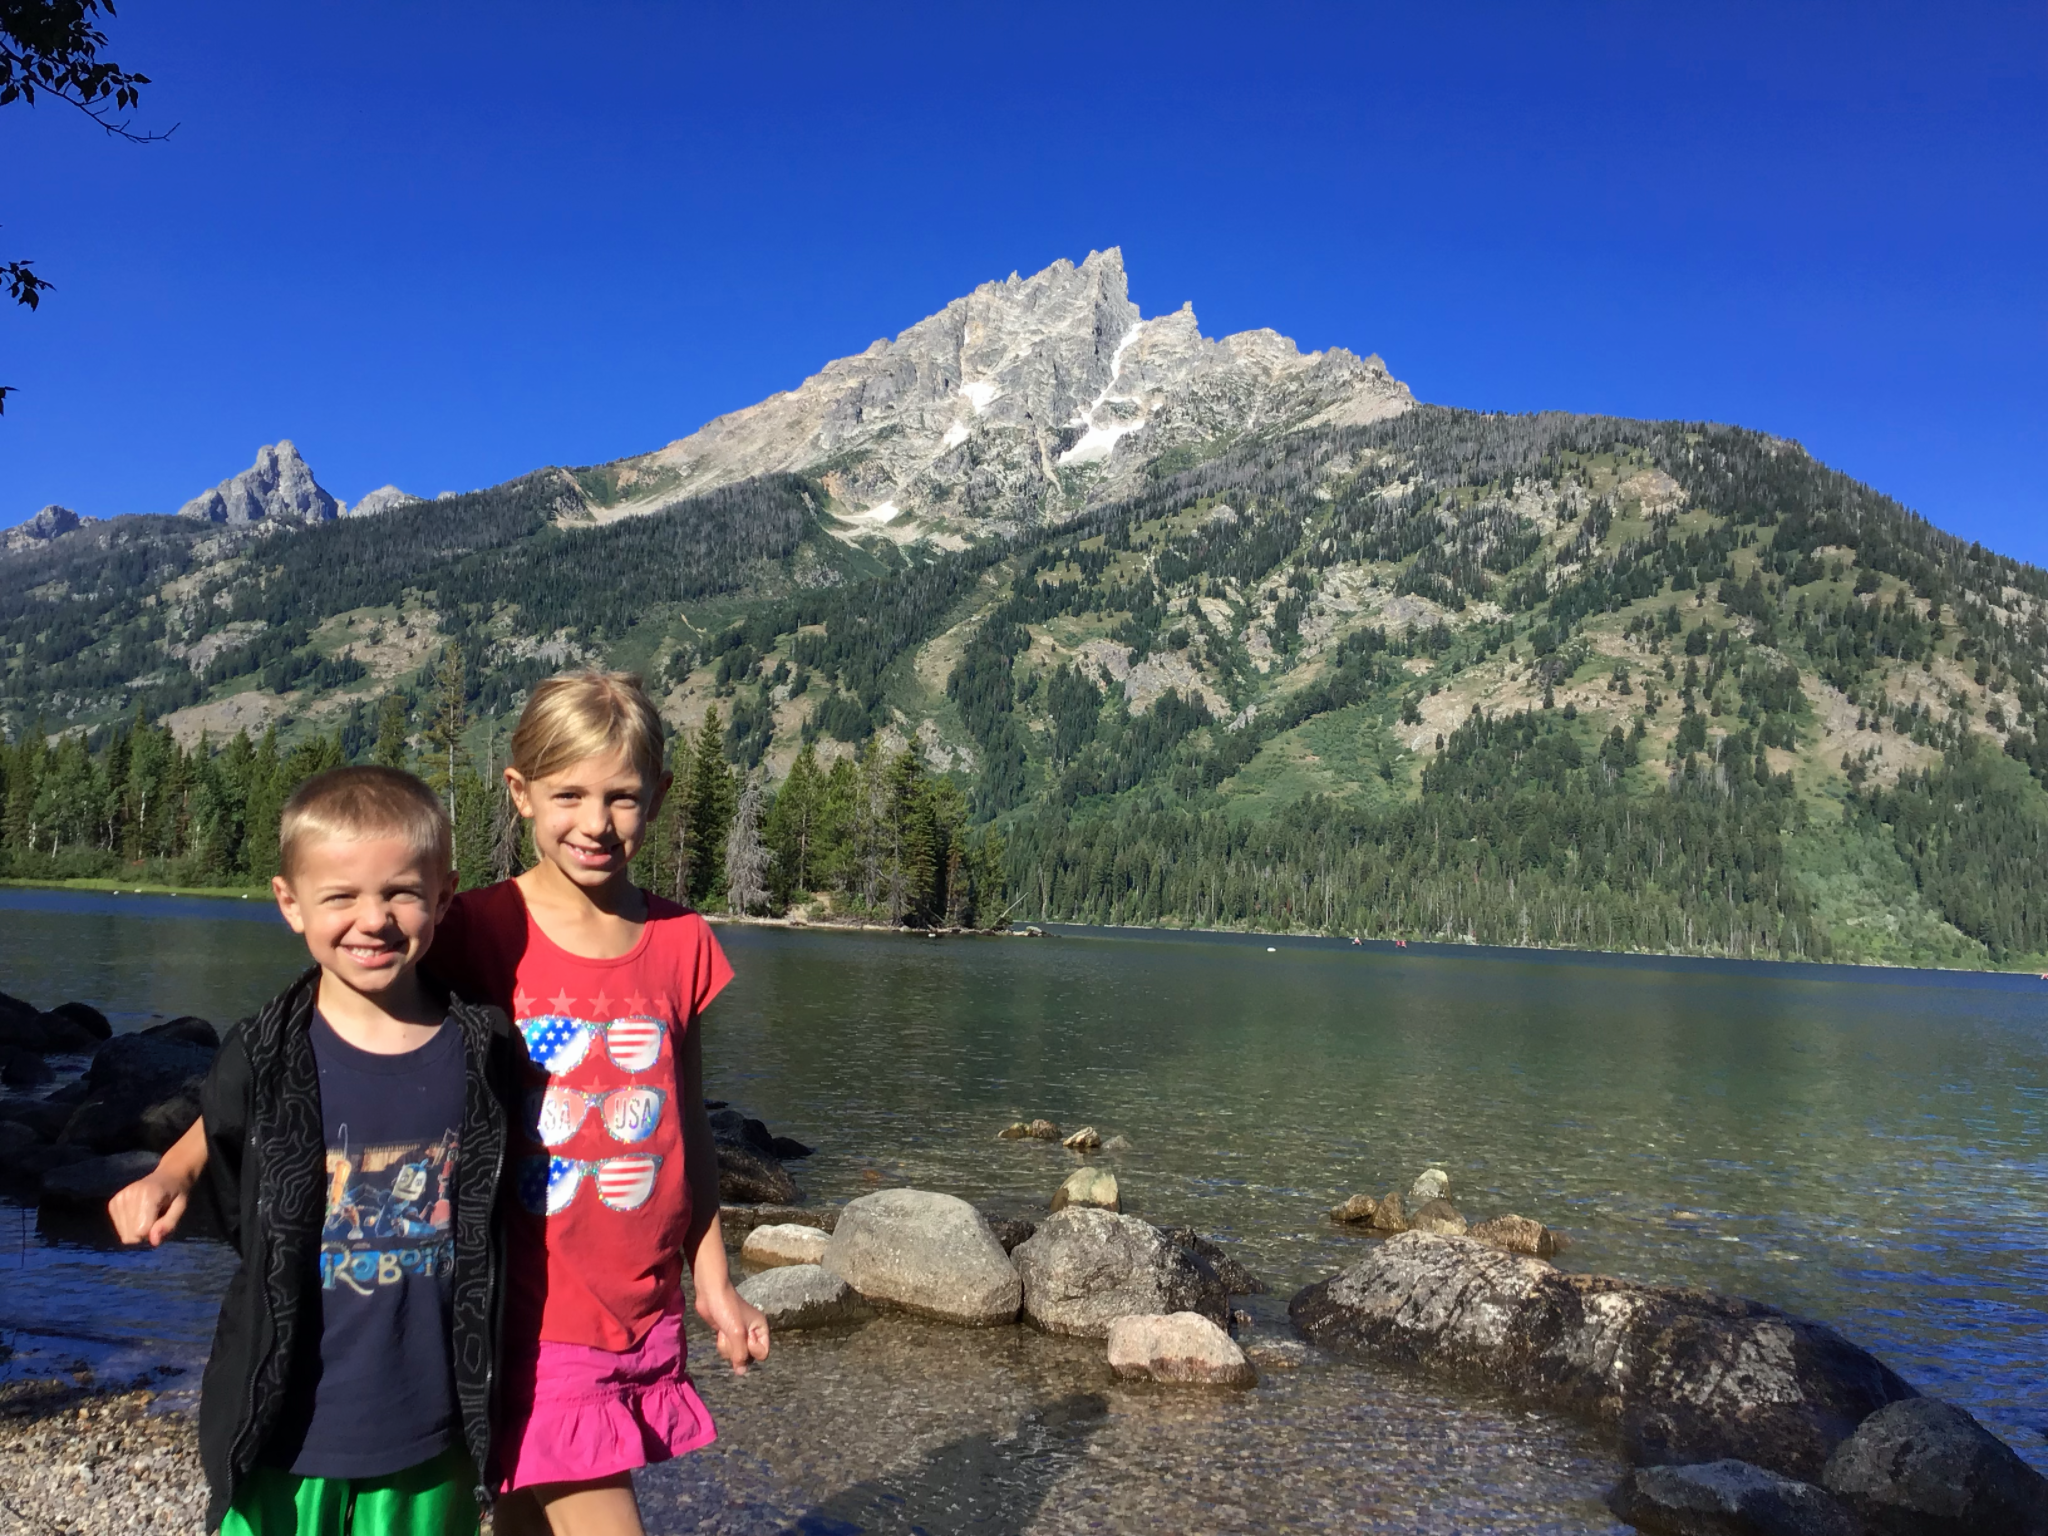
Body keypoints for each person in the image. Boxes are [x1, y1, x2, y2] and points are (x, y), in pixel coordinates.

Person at [108, 765, 522, 1535]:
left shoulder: (481, 1046)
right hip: (282, 1421)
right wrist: (170, 1172)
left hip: (428, 1427)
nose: (375, 919)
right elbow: (225, 1133)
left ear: (444, 896)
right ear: (290, 904)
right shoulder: (265, 1050)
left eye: (401, 891)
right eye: (341, 896)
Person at [427, 669, 768, 1536]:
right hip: (533, 1306)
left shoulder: (680, 941)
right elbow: (333, 1032)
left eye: (621, 797)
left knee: (524, 1520)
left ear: (655, 798)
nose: (595, 821)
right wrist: (190, 1156)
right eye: (568, 793)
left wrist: (715, 1284)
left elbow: (687, 1127)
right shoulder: (477, 929)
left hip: (637, 1298)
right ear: (520, 793)